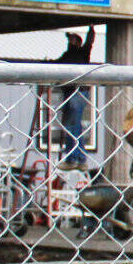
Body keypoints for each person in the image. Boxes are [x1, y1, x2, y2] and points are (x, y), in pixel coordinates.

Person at [56, 31, 94, 168]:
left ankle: (75, 157)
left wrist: (92, 28)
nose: (69, 42)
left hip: (78, 92)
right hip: (69, 92)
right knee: (70, 125)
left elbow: (90, 42)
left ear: (78, 42)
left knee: (74, 124)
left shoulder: (83, 52)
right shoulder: (67, 55)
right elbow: (56, 64)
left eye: (72, 40)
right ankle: (75, 157)